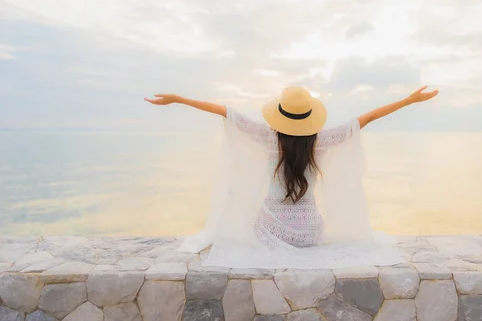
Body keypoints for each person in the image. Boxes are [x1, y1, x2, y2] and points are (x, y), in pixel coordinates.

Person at [144, 85, 438, 268]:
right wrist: (409, 100)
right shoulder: (322, 141)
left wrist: (179, 99)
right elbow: (369, 117)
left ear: (280, 115)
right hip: (311, 234)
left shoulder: (266, 136)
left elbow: (225, 111)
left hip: (272, 234)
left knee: (249, 216)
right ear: (310, 115)